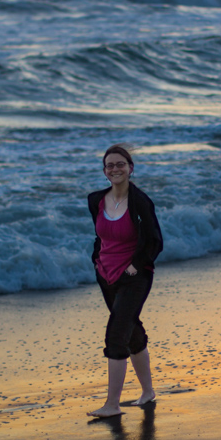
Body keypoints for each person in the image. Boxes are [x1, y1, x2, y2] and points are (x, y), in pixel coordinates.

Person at [86, 144, 163, 418]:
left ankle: (112, 405)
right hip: (105, 275)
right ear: (104, 171)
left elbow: (155, 240)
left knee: (116, 335)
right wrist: (96, 259)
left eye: (121, 164)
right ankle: (148, 392)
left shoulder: (140, 201)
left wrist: (134, 266)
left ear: (130, 168)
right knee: (131, 331)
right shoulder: (95, 200)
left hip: (134, 277)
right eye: (110, 165)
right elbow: (101, 236)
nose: (115, 169)